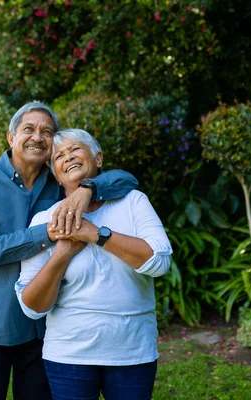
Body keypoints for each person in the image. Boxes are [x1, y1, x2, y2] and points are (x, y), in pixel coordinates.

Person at [0, 102, 139, 400]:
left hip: (44, 327)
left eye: (47, 131)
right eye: (29, 129)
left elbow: (126, 180)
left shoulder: (59, 184)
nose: (37, 137)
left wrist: (87, 189)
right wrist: (47, 232)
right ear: (11, 137)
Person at [15, 128, 172, 400]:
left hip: (132, 351)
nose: (68, 157)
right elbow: (32, 307)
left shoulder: (133, 202)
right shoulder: (45, 220)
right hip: (68, 355)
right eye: (59, 156)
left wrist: (94, 234)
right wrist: (63, 253)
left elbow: (159, 262)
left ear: (97, 158)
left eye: (75, 149)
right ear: (55, 172)